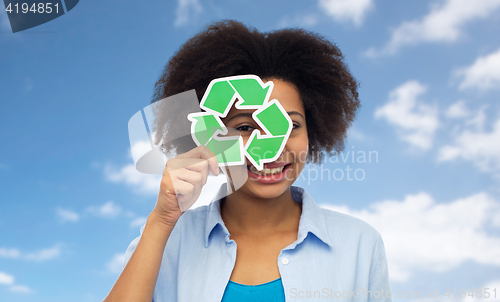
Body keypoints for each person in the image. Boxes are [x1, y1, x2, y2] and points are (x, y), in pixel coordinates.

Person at [103, 20, 391, 302]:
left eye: (288, 127)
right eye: (244, 128)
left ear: (313, 131)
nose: (270, 150)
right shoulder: (168, 240)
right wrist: (160, 222)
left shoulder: (360, 245)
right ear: (209, 134)